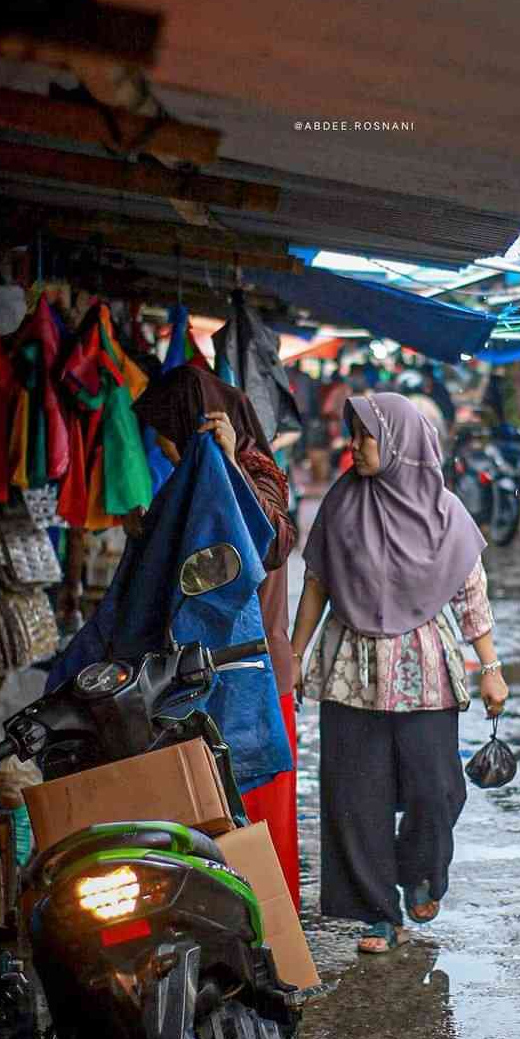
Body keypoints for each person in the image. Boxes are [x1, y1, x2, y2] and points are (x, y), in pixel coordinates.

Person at [290, 392, 508, 955]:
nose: (355, 446)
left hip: (423, 666)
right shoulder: (341, 502)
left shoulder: (446, 511)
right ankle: (377, 914)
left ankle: (422, 871)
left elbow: (470, 592)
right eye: (354, 434)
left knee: (437, 788)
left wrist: (491, 668)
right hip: (351, 670)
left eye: (366, 435)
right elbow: (316, 581)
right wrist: (293, 652)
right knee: (355, 795)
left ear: (399, 442)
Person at [135, 365, 301, 908]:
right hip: (201, 680)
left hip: (254, 680)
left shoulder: (253, 468)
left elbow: (272, 546)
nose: (165, 450)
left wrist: (228, 462)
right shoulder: (191, 481)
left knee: (256, 818)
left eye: (168, 438)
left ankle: (273, 937)